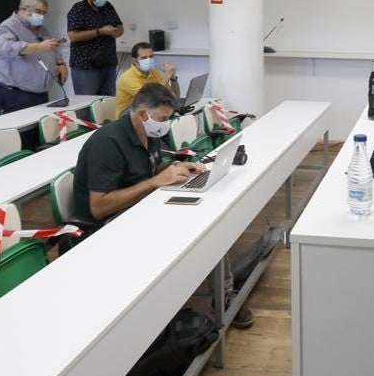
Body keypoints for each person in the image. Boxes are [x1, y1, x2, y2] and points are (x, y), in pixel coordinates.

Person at [72, 83, 255, 327]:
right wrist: (155, 182)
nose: (166, 124)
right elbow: (99, 206)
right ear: (141, 114)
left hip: (141, 205)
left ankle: (223, 294)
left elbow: (148, 169)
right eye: (163, 118)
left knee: (207, 221)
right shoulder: (108, 143)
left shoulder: (150, 133)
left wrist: (174, 169)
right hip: (108, 223)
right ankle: (165, 310)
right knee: (183, 229)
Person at [0, 0, 68, 114]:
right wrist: (38, 47)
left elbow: (51, 46)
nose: (41, 16)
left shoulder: (41, 28)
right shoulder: (8, 27)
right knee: (21, 132)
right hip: (14, 94)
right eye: (38, 12)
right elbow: (4, 48)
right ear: (24, 9)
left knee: (38, 130)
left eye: (44, 13)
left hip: (39, 93)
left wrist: (60, 63)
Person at [66, 0, 124, 97]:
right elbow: (73, 36)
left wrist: (117, 31)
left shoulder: (108, 7)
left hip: (108, 62)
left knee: (107, 102)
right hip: (85, 65)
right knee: (86, 102)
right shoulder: (78, 9)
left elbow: (120, 26)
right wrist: (100, 31)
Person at [115, 42, 180, 116]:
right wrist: (166, 76)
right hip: (127, 115)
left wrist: (173, 78)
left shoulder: (153, 72)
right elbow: (150, 98)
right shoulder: (127, 78)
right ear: (134, 61)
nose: (148, 60)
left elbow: (174, 97)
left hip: (148, 111)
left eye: (151, 56)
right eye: (144, 58)